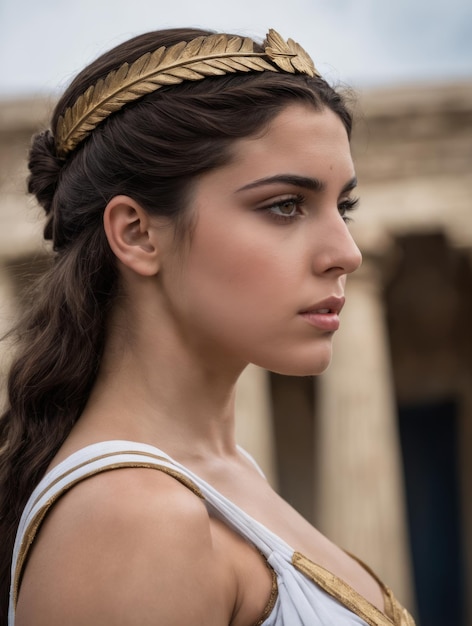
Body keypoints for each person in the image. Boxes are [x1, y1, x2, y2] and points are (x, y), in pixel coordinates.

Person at [0, 27, 415, 625]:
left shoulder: (222, 472)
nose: (347, 252)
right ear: (138, 234)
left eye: (341, 206)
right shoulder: (133, 520)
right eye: (285, 206)